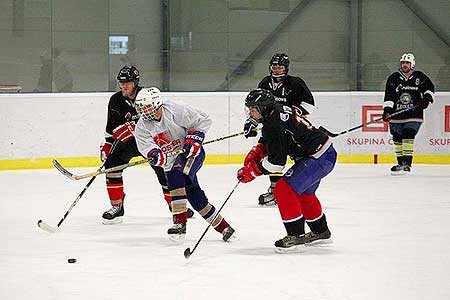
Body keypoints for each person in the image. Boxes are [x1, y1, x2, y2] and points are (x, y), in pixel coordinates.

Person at [237, 89, 335, 253]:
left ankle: (296, 237)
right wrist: (259, 150)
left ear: (263, 108)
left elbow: (276, 165)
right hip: (324, 154)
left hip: (317, 158)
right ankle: (321, 231)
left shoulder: (273, 124)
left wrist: (252, 171)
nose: (250, 113)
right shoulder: (277, 110)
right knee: (304, 194)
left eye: (253, 109)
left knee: (283, 189)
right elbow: (278, 137)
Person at [134, 87, 236, 242]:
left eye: (146, 106)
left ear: (156, 103)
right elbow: (145, 145)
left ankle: (179, 223)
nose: (143, 110)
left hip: (191, 154)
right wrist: (154, 153)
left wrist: (195, 137)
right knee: (194, 195)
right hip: (171, 162)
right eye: (141, 107)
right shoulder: (142, 126)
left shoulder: (176, 109)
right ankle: (224, 228)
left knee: (176, 175)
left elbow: (203, 120)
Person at [100, 65, 193, 224]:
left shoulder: (146, 96)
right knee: (111, 166)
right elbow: (111, 128)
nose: (124, 86)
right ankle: (117, 207)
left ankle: (175, 205)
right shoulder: (115, 100)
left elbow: (157, 118)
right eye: (121, 83)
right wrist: (107, 146)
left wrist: (134, 127)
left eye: (128, 82)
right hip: (127, 144)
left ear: (135, 82)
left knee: (164, 170)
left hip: (149, 141)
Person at [244, 53, 316, 206]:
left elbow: (309, 105)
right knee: (273, 152)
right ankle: (275, 187)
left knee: (295, 155)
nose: (276, 70)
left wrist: (288, 113)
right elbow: (256, 107)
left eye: (280, 67)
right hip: (273, 127)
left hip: (290, 128)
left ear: (286, 68)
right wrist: (252, 122)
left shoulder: (295, 83)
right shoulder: (265, 83)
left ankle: (300, 189)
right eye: (274, 67)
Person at [382, 53, 435, 175]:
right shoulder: (393, 78)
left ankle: (407, 163)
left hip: (414, 114)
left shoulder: (419, 77)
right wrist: (387, 111)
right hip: (397, 114)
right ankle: (401, 163)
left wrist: (426, 98)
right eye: (403, 63)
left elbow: (429, 88)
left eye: (407, 63)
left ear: (412, 64)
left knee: (408, 134)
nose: (405, 65)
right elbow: (389, 96)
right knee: (397, 138)